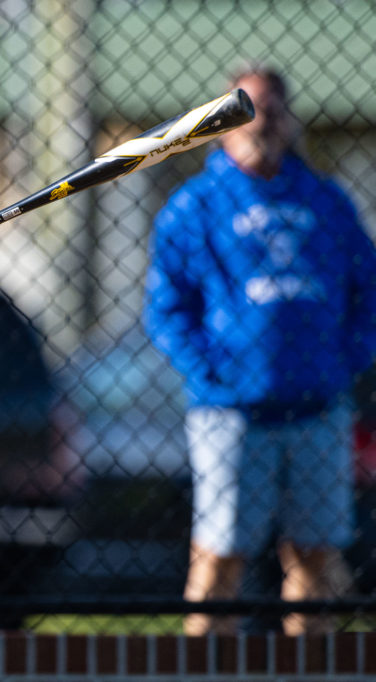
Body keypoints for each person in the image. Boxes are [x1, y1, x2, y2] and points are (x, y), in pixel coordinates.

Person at [144, 64, 376, 636]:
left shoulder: (326, 202)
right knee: (221, 556)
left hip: (318, 409)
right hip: (231, 414)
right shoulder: (195, 207)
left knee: (316, 558)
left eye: (274, 107)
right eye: (248, 107)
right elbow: (166, 309)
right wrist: (213, 373)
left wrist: (344, 363)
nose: (264, 120)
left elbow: (366, 293)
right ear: (220, 121)